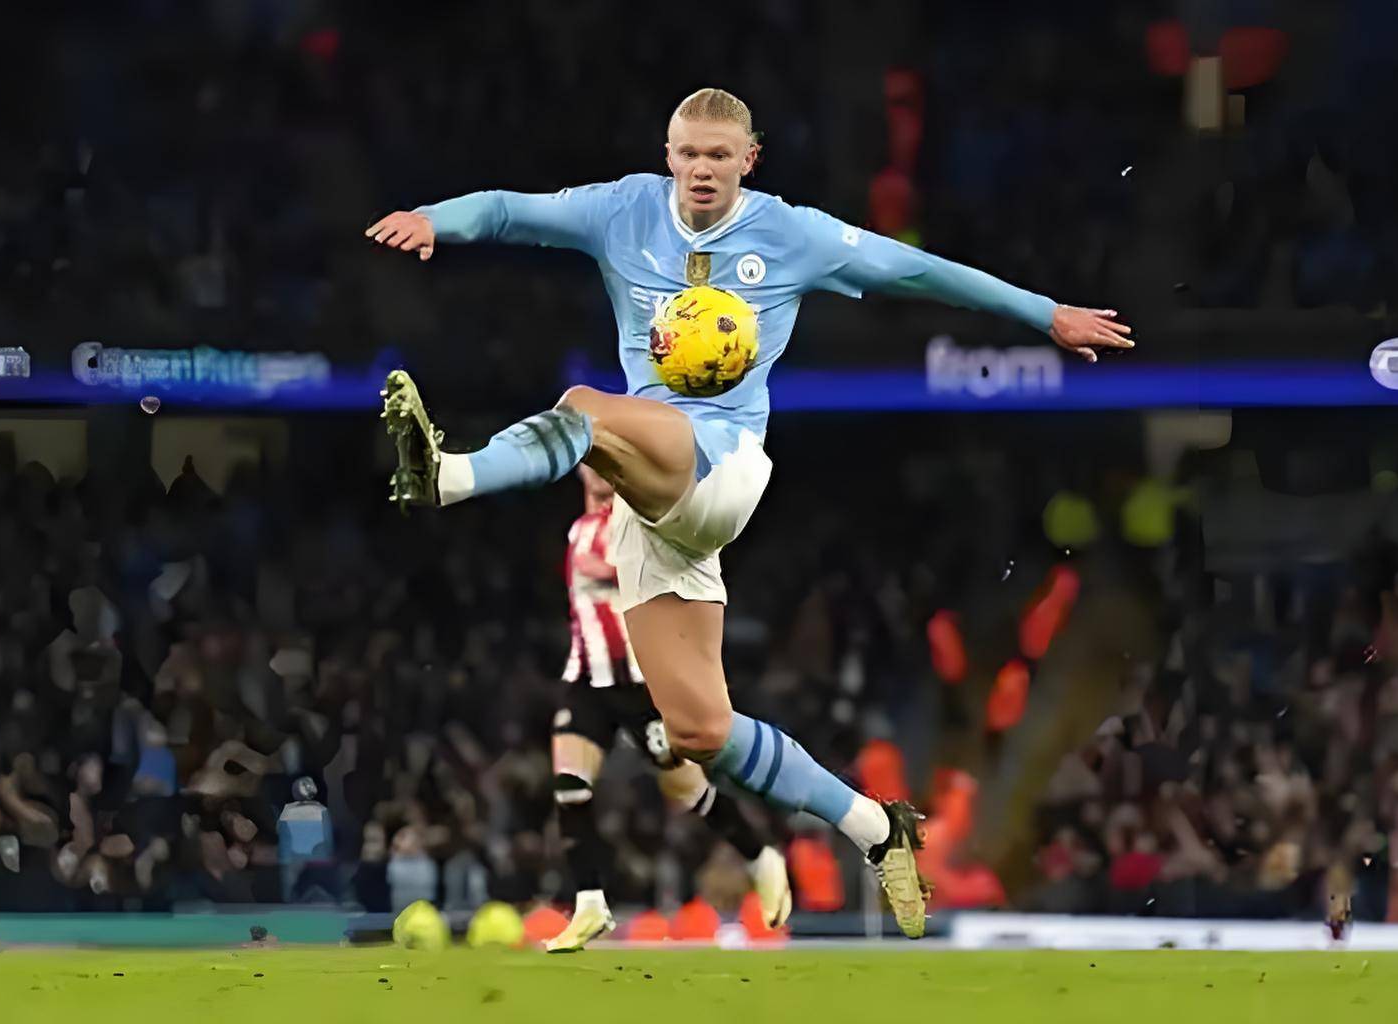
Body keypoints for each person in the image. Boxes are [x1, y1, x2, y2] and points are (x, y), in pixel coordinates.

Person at [367, 87, 1133, 937]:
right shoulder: (622, 210)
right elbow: (512, 211)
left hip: (724, 464)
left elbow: (918, 271)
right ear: (668, 153)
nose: (700, 170)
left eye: (717, 157)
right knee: (700, 730)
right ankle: (877, 828)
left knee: (586, 404)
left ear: (748, 161)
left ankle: (449, 477)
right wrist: (437, 219)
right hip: (652, 505)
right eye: (687, 153)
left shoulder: (790, 234)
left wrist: (1045, 315)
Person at [546, 464, 788, 952]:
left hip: (643, 684)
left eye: (607, 471)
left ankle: (761, 856)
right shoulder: (578, 531)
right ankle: (590, 904)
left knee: (688, 790)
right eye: (589, 470)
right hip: (588, 680)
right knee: (570, 785)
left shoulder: (642, 527)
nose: (598, 480)